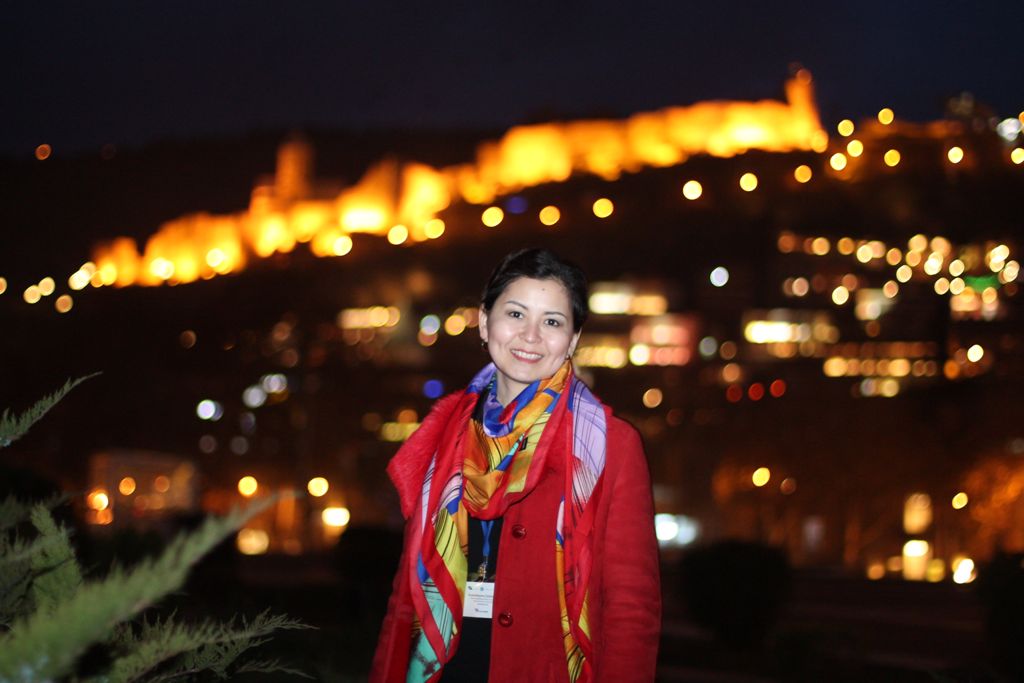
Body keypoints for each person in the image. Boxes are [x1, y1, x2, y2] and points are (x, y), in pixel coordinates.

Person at [371, 248, 661, 683]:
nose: (530, 336)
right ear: (484, 322)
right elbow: (405, 597)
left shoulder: (609, 446)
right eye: (515, 314)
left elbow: (631, 608)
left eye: (552, 322)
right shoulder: (443, 435)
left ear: (573, 340)